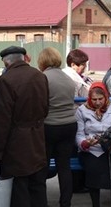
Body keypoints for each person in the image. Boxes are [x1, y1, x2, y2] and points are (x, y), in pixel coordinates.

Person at [0, 46, 49, 207]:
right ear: (24, 58)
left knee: (19, 190)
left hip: (16, 144)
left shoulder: (5, 80)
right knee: (38, 186)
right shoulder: (39, 76)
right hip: (37, 139)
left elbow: (2, 121)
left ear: (6, 62)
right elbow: (45, 108)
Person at [75, 82, 111, 207]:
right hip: (93, 149)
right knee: (93, 168)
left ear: (106, 97)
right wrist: (85, 143)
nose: (98, 102)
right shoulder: (82, 111)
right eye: (94, 99)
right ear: (89, 98)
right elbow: (79, 134)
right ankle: (95, 203)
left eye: (100, 99)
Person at [38, 47, 77, 207]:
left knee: (43, 166)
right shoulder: (68, 78)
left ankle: (41, 202)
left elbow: (40, 105)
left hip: (49, 127)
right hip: (69, 125)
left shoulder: (43, 78)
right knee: (64, 167)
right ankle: (65, 202)